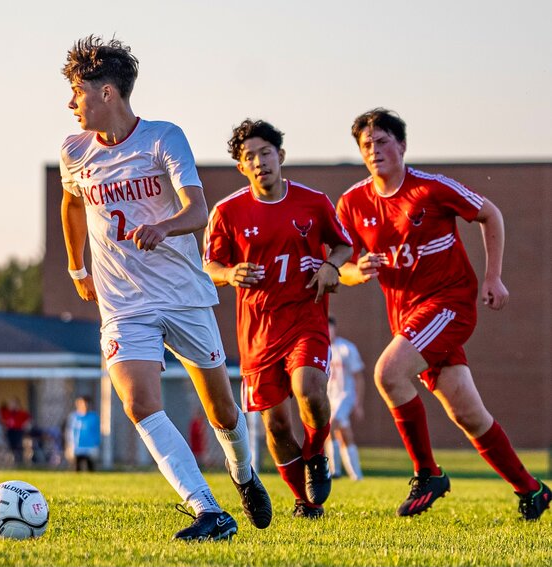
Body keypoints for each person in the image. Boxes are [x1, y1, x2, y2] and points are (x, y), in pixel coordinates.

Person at [59, 35, 271, 540]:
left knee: (221, 408)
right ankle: (207, 510)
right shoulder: (73, 150)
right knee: (137, 402)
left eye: (77, 91)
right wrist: (76, 269)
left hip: (183, 295)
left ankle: (242, 474)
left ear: (108, 93)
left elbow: (197, 209)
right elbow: (70, 203)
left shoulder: (163, 138)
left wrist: (165, 226)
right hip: (124, 304)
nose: (71, 103)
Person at [336, 108, 551, 520]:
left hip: (449, 305)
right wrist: (353, 272)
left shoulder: (431, 189)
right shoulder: (352, 202)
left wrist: (494, 277)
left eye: (382, 142)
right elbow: (341, 265)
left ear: (401, 145)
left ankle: (427, 473)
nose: (374, 150)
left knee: (387, 373)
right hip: (409, 318)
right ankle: (532, 489)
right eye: (366, 145)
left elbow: (491, 214)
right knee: (468, 414)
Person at [203, 119, 353, 519]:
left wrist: (330, 266)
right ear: (241, 167)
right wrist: (228, 273)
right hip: (258, 334)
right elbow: (210, 265)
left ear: (281, 156)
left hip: (306, 318)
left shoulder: (313, 201)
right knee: (277, 427)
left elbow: (342, 245)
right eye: (248, 157)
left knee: (309, 389)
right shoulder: (227, 212)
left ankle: (317, 452)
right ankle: (305, 504)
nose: (259, 161)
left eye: (265, 152)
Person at [325, 316, 365, 481]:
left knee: (331, 424)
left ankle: (335, 471)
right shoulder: (321, 348)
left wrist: (358, 403)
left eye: (330, 328)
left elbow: (358, 377)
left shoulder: (347, 348)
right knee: (343, 433)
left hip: (345, 395)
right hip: (329, 396)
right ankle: (356, 474)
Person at [67, 396, 101, 471]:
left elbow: (96, 431)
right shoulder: (74, 417)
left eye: (86, 404)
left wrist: (96, 444)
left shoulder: (94, 417)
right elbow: (70, 432)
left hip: (90, 446)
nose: (84, 406)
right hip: (77, 446)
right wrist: (70, 445)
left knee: (90, 467)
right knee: (76, 467)